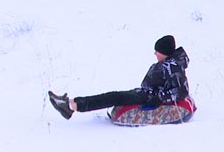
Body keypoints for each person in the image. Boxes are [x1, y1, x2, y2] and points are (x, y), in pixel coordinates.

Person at [48, 35, 190, 120]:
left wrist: (158, 98)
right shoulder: (170, 64)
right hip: (145, 93)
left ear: (164, 52)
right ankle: (71, 102)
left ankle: (71, 106)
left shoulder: (173, 68)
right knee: (113, 95)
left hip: (149, 97)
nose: (155, 54)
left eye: (157, 51)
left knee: (113, 97)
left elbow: (181, 91)